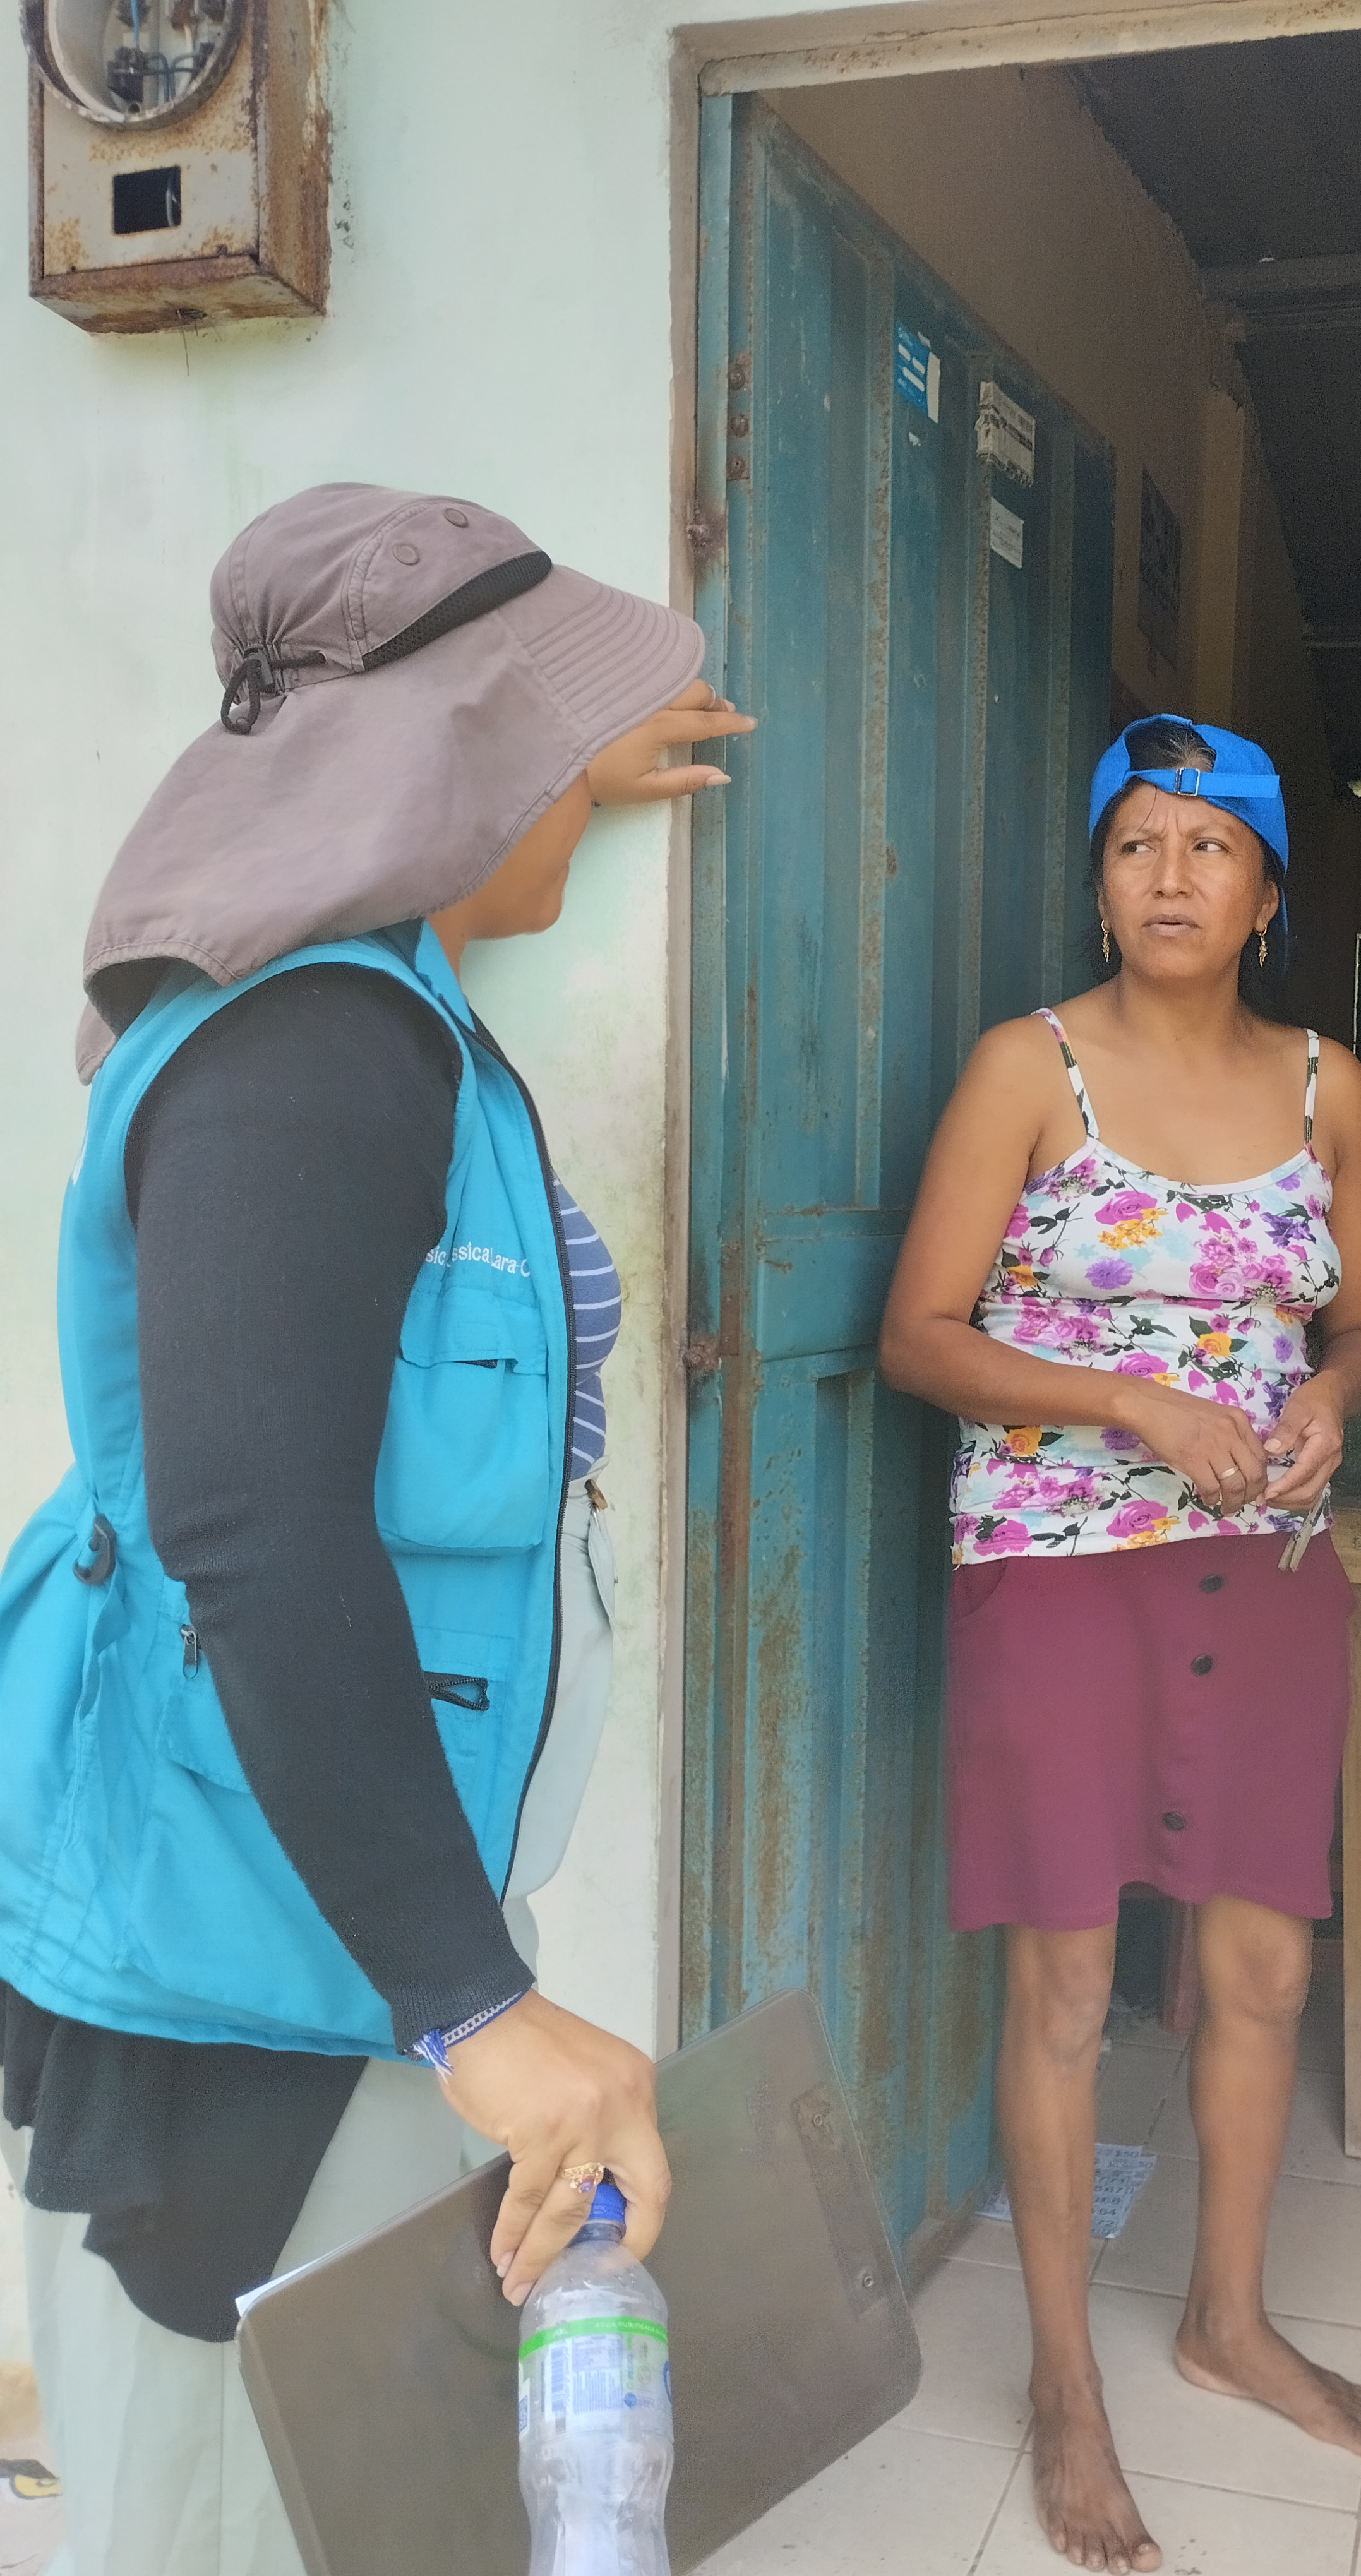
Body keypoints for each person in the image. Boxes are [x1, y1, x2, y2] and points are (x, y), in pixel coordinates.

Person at [0, 483, 753, 2575]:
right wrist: (472, 2002)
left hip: (313, 1900)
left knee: (308, 2485)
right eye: (547, 744)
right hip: (249, 1946)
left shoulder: (371, 1004)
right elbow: (253, 1523)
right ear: (446, 759)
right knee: (229, 2504)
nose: (580, 788)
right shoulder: (310, 1044)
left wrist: (562, 751)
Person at [879, 714, 1361, 2576]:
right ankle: (1062, 2387)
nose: (1170, 876)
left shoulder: (1329, 1085)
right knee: (1068, 1983)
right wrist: (1128, 1403)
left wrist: (1332, 1397)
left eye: (1209, 846)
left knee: (1262, 1962)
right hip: (1058, 1565)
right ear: (1100, 884)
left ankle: (1227, 2321)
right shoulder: (1028, 1067)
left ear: (1267, 893)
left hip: (1263, 1564)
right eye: (1136, 844)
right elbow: (920, 1336)